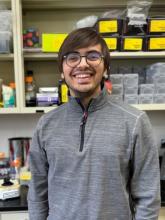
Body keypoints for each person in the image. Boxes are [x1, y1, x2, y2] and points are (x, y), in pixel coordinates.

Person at [28, 27, 160, 220]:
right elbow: (37, 193)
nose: (82, 64)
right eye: (72, 57)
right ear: (62, 71)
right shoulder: (46, 124)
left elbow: (148, 196)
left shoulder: (134, 122)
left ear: (105, 68)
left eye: (93, 56)